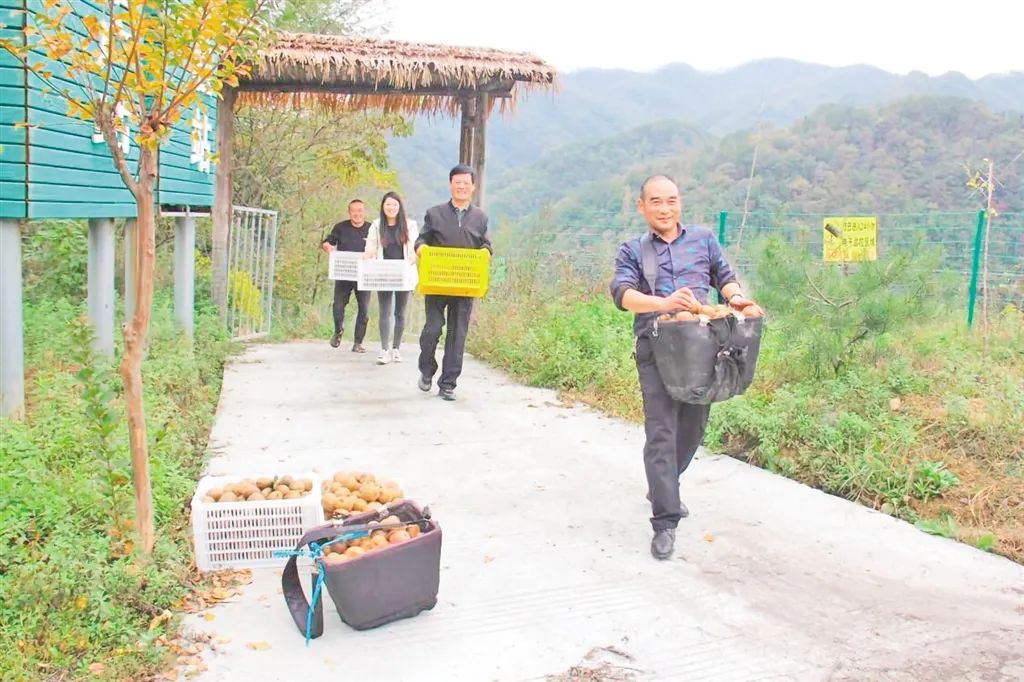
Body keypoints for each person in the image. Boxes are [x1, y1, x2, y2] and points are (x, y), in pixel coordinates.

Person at [609, 175, 761, 561]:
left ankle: (663, 485)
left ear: (681, 203)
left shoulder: (703, 238)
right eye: (656, 202)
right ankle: (665, 520)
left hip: (702, 348)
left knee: (693, 428)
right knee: (661, 432)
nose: (665, 209)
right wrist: (663, 304)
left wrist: (738, 299)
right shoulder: (632, 250)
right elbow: (623, 295)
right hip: (656, 348)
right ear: (642, 207)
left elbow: (724, 277)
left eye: (671, 201)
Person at [414, 164, 492, 401]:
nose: (461, 187)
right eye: (457, 182)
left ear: (473, 187)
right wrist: (422, 249)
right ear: (450, 184)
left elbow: (485, 244)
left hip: (465, 283)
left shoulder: (480, 217)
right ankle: (426, 370)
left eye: (466, 183)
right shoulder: (434, 213)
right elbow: (421, 239)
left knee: (457, 334)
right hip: (438, 282)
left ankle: (448, 383)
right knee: (433, 329)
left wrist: (486, 252)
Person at [365, 191, 419, 365]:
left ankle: (396, 348)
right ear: (383, 206)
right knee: (385, 311)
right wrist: (368, 254)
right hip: (383, 273)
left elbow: (415, 249)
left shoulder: (410, 226)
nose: (391, 207)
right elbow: (370, 247)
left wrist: (413, 258)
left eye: (394, 204)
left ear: (399, 207)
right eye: (388, 204)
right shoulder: (376, 225)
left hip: (404, 273)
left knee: (400, 312)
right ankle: (384, 349)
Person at [321, 199, 371, 352]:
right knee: (338, 305)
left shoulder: (372, 229)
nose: (357, 214)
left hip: (364, 275)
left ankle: (358, 343)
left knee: (364, 309)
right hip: (344, 273)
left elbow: (380, 247)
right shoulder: (340, 227)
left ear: (364, 212)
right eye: (354, 211)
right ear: (349, 212)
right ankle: (338, 331)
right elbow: (327, 243)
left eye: (360, 210)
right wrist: (329, 249)